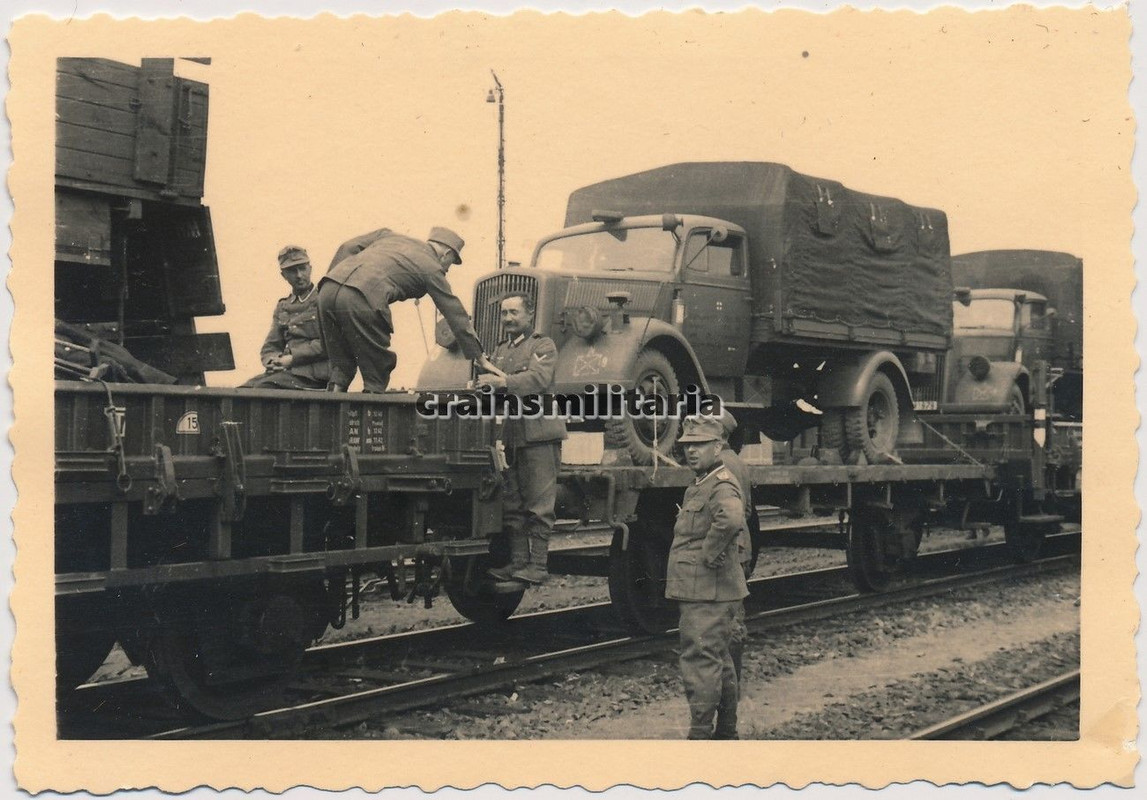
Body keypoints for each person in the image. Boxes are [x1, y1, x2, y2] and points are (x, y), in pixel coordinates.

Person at [316, 227, 496, 392]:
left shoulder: (388, 235)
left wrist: (336, 278)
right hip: (362, 299)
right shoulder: (431, 268)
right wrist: (479, 358)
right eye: (451, 263)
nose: (448, 269)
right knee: (377, 369)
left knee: (341, 365)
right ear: (446, 254)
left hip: (327, 290)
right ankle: (371, 422)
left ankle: (331, 419)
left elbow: (348, 246)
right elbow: (454, 312)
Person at [667, 414, 750, 740]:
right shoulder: (704, 481)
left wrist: (707, 557)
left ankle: (700, 737)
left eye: (699, 444)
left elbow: (730, 519)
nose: (691, 450)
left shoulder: (721, 483)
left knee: (700, 661)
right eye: (687, 445)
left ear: (718, 446)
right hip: (709, 590)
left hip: (708, 590)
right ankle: (726, 733)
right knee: (719, 658)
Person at [479, 293, 567, 585]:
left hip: (539, 434)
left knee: (540, 505)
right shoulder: (501, 350)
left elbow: (538, 380)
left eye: (514, 313)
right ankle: (518, 564)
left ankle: (538, 566)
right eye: (504, 313)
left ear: (530, 315)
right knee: (512, 503)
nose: (508, 319)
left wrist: (502, 382)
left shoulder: (543, 345)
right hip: (510, 436)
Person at [716, 410, 756, 739]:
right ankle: (728, 715)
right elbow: (749, 510)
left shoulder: (721, 465)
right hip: (741, 547)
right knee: (731, 625)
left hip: (730, 550)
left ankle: (728, 720)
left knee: (729, 629)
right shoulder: (738, 462)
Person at [240, 246, 331, 390]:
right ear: (283, 275)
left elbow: (330, 343)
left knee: (263, 389)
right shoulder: (283, 305)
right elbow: (271, 345)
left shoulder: (324, 299)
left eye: (302, 268)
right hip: (287, 374)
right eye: (292, 271)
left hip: (314, 376)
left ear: (310, 268)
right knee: (241, 391)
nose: (299, 275)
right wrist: (273, 361)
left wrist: (292, 358)